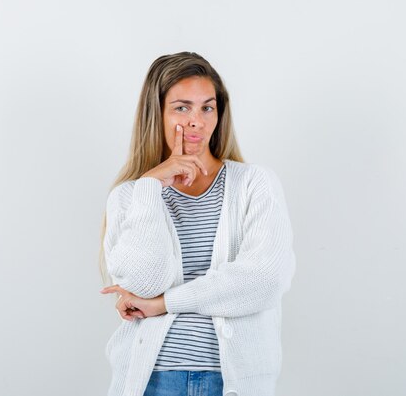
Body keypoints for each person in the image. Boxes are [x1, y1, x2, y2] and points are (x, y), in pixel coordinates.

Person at [99, 52, 296, 396]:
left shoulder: (255, 184)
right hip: (152, 380)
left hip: (231, 381)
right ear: (155, 113)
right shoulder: (130, 196)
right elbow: (145, 283)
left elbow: (264, 280)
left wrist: (164, 304)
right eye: (181, 107)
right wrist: (150, 186)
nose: (196, 121)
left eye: (207, 107)